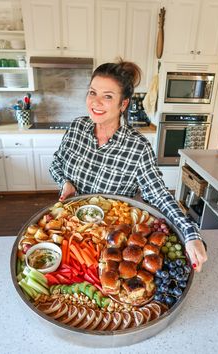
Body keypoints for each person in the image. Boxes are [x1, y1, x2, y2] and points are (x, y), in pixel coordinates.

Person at [49, 59, 207, 272]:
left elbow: (159, 195)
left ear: (123, 104)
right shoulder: (77, 127)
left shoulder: (137, 147)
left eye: (107, 96)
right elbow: (56, 163)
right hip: (70, 228)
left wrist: (190, 234)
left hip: (111, 243)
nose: (95, 102)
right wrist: (65, 182)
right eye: (92, 92)